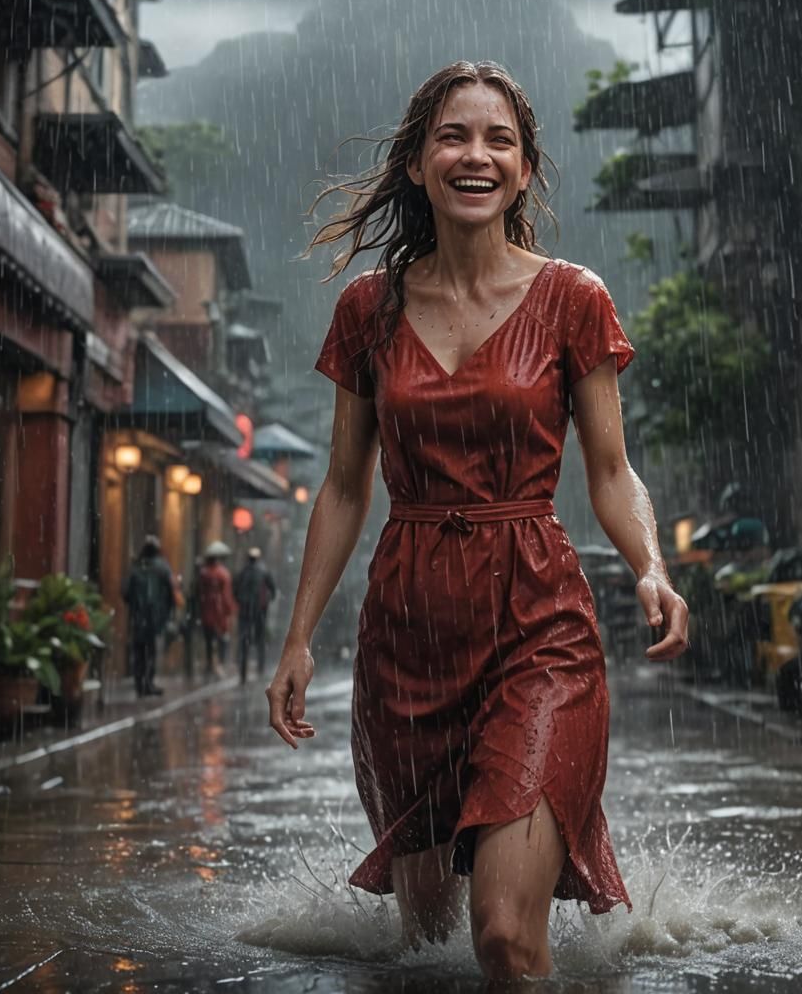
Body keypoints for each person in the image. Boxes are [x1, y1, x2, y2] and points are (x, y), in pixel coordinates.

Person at [265, 61, 689, 981]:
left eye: (499, 140)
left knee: (502, 934)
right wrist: (298, 637)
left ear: (525, 169)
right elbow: (343, 488)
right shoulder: (367, 311)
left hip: (539, 620)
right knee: (425, 951)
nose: (476, 155)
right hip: (407, 634)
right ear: (417, 163)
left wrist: (650, 566)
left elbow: (611, 472)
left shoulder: (574, 298)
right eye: (453, 137)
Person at [121, 535, 175, 697]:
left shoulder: (136, 567)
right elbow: (171, 592)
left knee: (139, 651)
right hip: (155, 617)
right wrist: (167, 610)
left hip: (138, 616)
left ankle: (140, 683)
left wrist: (134, 606)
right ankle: (148, 682)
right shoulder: (163, 567)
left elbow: (126, 592)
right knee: (150, 650)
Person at [234, 547, 277, 684]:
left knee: (244, 640)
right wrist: (268, 600)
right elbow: (273, 589)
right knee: (260, 639)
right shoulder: (264, 571)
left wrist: (241, 601)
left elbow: (235, 589)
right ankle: (260, 667)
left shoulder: (243, 572)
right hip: (259, 611)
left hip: (245, 611)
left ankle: (243, 671)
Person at [198, 541, 236, 677]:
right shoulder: (223, 574)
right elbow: (226, 595)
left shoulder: (203, 573)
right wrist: (229, 610)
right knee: (222, 638)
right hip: (219, 613)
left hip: (206, 611)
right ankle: (218, 663)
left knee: (209, 639)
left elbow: (200, 592)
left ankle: (210, 664)